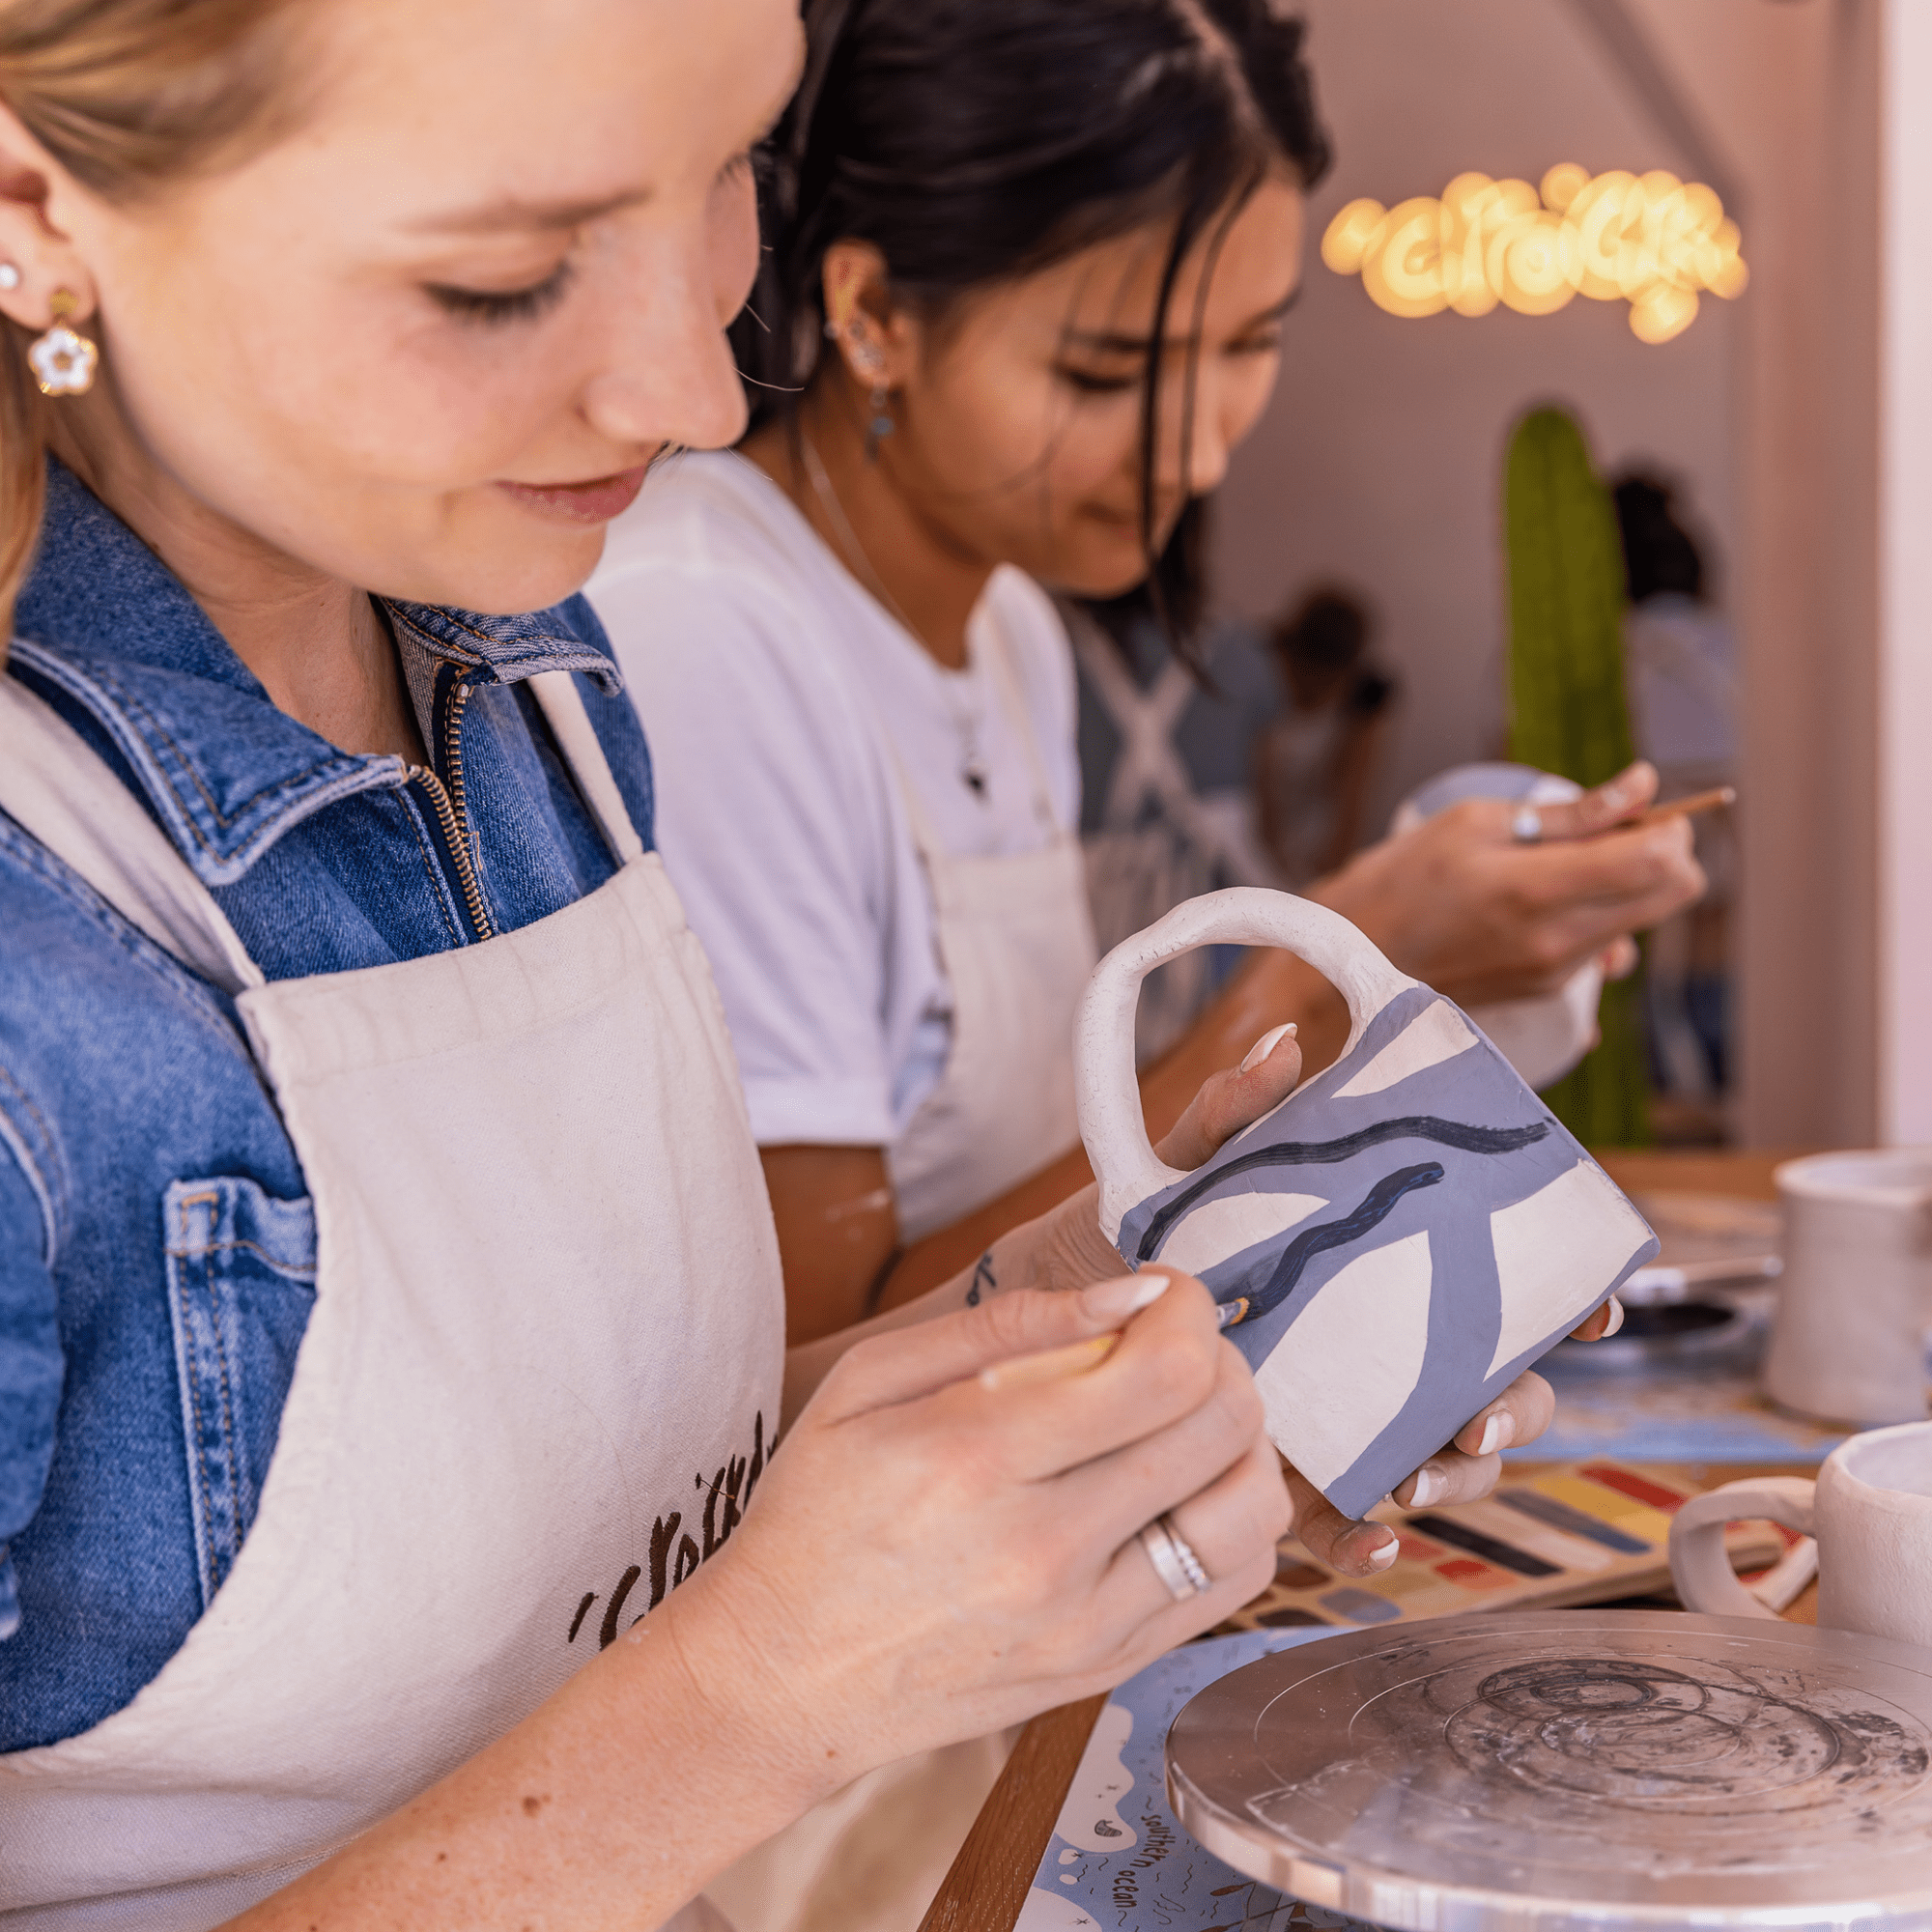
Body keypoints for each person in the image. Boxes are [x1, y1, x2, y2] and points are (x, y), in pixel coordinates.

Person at [0, 1, 1581, 1925]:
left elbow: (574, 1511)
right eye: (507, 277)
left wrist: (1055, 1333)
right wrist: (762, 1695)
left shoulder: (533, 680)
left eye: (730, 170)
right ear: (34, 207)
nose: (700, 393)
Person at [588, 0, 1707, 1349]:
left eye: (1246, 346)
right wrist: (1312, 971)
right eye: (1106, 370)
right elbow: (807, 1366)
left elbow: (1041, 1199)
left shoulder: (1012, 628)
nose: (1196, 448)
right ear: (875, 311)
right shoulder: (709, 635)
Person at [1255, 586, 1394, 886]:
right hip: (1252, 823)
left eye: (1326, 684)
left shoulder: (1367, 704)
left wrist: (1333, 881)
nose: (1312, 694)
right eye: (1304, 679)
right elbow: (1256, 789)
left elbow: (1351, 804)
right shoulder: (1256, 676)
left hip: (1311, 832)